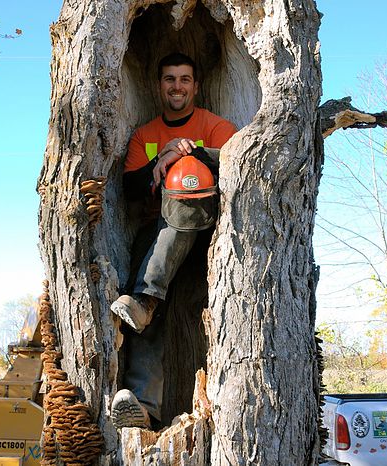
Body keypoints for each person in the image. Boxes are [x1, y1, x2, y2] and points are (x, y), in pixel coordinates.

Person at [110, 52, 237, 429]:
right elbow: (131, 189)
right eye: (170, 79)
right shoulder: (145, 135)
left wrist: (190, 152)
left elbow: (236, 162)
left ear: (196, 86)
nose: (177, 86)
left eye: (184, 79)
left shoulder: (216, 127)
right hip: (156, 237)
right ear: (159, 85)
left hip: (205, 236)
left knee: (186, 181)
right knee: (144, 321)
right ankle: (144, 408)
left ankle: (146, 297)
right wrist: (160, 159)